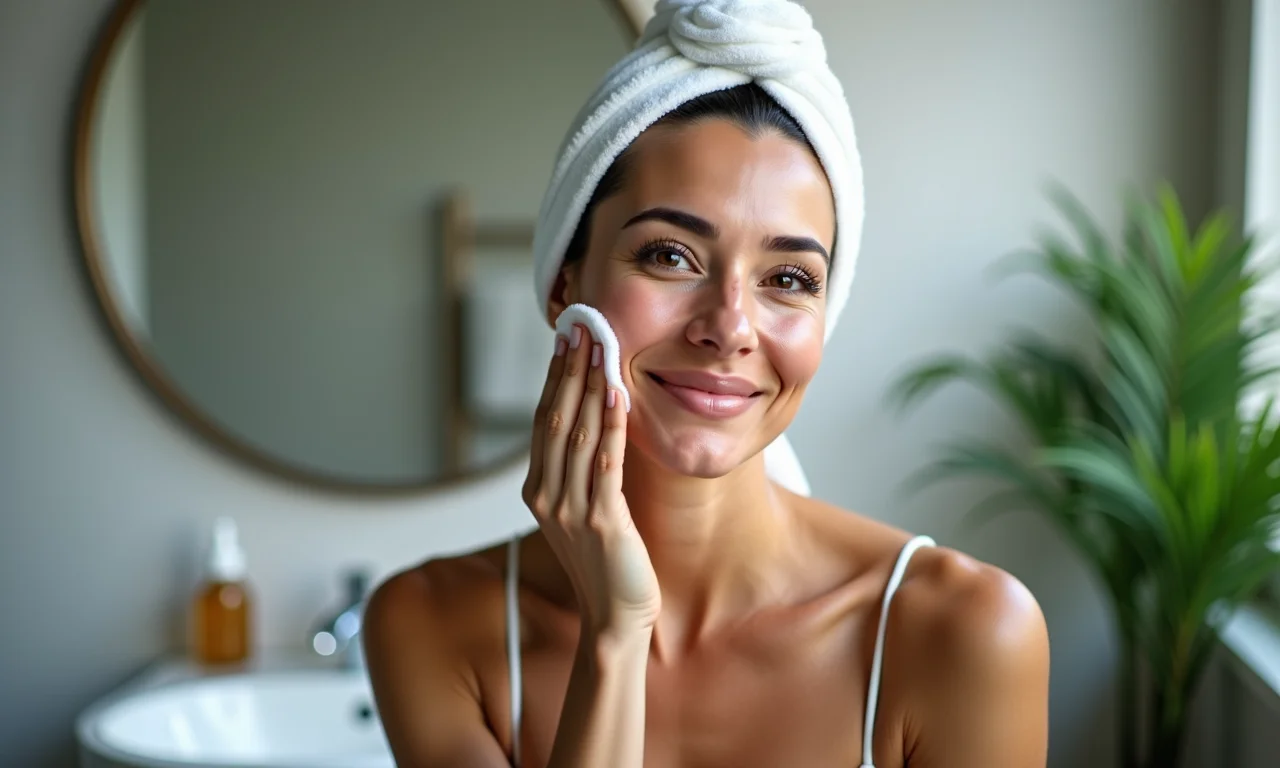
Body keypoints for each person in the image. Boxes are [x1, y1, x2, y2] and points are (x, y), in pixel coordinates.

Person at [363, 2, 1050, 766]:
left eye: (788, 278)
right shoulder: (430, 627)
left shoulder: (963, 633)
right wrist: (615, 637)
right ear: (566, 285)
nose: (730, 326)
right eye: (669, 255)